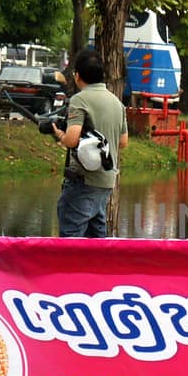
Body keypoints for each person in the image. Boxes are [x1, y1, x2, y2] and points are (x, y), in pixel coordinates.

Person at [51, 48, 129, 237]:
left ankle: (72, 268)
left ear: (77, 76)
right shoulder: (116, 102)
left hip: (83, 181)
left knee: (72, 237)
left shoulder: (80, 100)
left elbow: (71, 139)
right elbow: (123, 141)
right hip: (106, 182)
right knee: (96, 241)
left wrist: (59, 134)